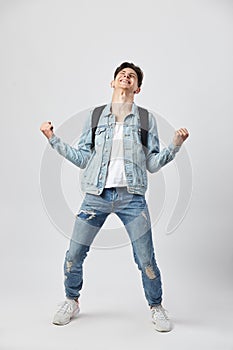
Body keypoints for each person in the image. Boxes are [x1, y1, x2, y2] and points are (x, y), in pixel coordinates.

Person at [40, 62, 189, 332]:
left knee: (145, 258)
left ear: (137, 87)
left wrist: (175, 146)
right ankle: (71, 301)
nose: (126, 77)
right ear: (113, 83)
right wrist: (53, 139)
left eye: (132, 76)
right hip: (95, 196)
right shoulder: (95, 116)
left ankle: (156, 307)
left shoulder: (145, 119)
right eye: (122, 74)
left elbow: (152, 164)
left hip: (132, 199)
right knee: (74, 253)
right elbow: (83, 158)